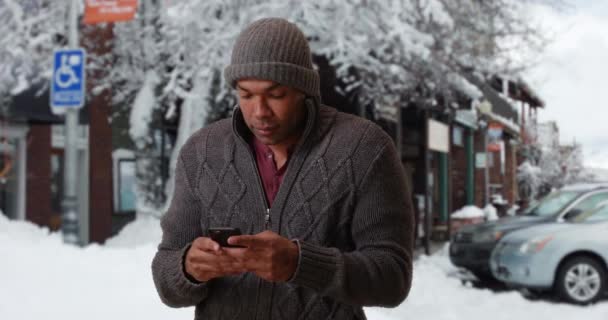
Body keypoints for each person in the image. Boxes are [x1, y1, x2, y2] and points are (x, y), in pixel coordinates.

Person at [152, 17, 414, 320]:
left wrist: (301, 263)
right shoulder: (202, 152)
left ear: (304, 89)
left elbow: (393, 278)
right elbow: (165, 276)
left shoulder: (363, 148)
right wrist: (189, 268)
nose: (260, 112)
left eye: (276, 95)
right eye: (246, 95)